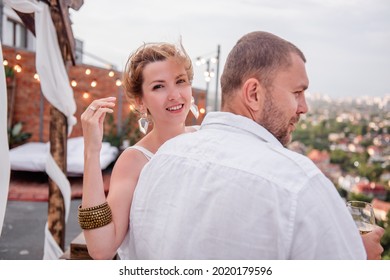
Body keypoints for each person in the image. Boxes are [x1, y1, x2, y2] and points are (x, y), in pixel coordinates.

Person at [126, 31, 384, 259]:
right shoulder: (298, 183)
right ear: (253, 94)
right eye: (297, 93)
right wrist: (359, 259)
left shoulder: (160, 162)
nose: (304, 107)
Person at [78, 41, 198, 260]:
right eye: (159, 86)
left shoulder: (206, 138)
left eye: (180, 81)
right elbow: (101, 249)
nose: (174, 95)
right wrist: (91, 151)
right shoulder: (135, 160)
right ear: (141, 102)